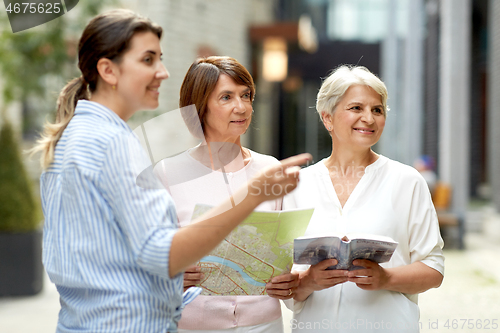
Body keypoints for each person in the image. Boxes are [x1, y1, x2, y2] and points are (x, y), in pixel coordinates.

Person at [31, 10, 310, 333]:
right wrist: (253, 195)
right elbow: (162, 255)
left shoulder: (76, 136)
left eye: (160, 59)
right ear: (108, 70)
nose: (162, 72)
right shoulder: (112, 145)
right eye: (148, 60)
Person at [266, 65, 444, 332]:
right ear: (327, 119)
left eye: (377, 110)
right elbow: (283, 279)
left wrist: (385, 277)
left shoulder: (407, 181)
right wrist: (310, 280)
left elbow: (433, 270)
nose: (369, 119)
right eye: (356, 108)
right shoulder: (297, 185)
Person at [153, 56, 286, 333]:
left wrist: (291, 279)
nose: (241, 107)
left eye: (246, 95)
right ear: (199, 107)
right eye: (226, 97)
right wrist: (171, 274)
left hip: (264, 323)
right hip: (194, 324)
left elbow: (288, 253)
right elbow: (148, 256)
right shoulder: (168, 173)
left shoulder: (271, 169)